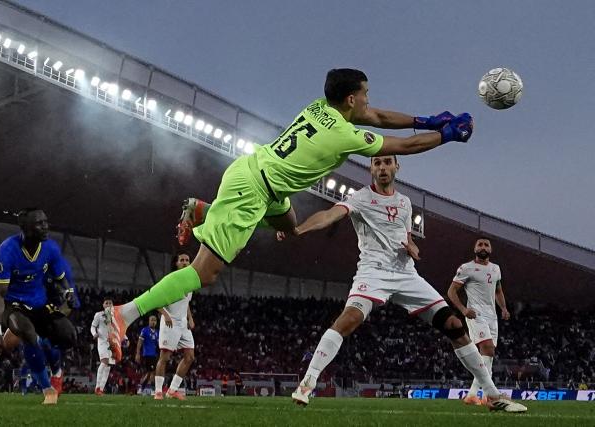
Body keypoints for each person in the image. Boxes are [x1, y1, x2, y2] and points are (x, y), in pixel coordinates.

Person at [106, 68, 474, 364]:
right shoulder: (344, 136)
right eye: (365, 94)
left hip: (254, 172)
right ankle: (126, 313)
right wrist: (447, 135)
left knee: (290, 226)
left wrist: (427, 120)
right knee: (205, 273)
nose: (368, 101)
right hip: (255, 191)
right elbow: (404, 146)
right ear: (351, 98)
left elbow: (376, 116)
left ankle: (205, 210)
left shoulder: (319, 107)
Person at [286, 155, 525, 412]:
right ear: (372, 169)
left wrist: (412, 247)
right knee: (349, 319)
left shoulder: (404, 203)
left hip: (406, 274)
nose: (382, 167)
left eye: (387, 162)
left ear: (396, 167)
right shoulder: (360, 197)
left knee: (454, 325)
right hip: (373, 272)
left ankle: (491, 395)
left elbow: (407, 238)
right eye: (377, 163)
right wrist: (299, 229)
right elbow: (330, 215)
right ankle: (307, 382)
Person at [0, 240, 77, 402]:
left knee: (46, 340)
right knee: (4, 346)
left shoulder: (52, 276)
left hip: (44, 313)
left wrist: (63, 304)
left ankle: (55, 376)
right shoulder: (14, 270)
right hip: (22, 311)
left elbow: (66, 306)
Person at [447, 237, 510, 405]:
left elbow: (498, 291)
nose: (483, 247)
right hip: (476, 314)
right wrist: (463, 310)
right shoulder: (467, 268)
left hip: (492, 316)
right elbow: (451, 291)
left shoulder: (496, 269)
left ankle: (473, 395)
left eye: (486, 245)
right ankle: (491, 395)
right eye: (480, 244)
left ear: (490, 249)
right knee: (487, 348)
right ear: (475, 249)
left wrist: (503, 308)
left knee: (488, 355)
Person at [154, 252, 196, 400]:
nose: (185, 262)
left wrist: (190, 318)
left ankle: (172, 390)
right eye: (182, 260)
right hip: (170, 323)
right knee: (164, 357)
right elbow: (156, 300)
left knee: (190, 357)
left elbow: (186, 303)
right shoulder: (170, 281)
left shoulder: (190, 282)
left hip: (183, 324)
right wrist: (165, 315)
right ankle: (158, 391)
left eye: (187, 260)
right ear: (176, 263)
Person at [91, 297, 115, 395]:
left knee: (108, 366)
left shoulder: (115, 316)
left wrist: (125, 338)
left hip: (112, 343)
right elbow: (93, 326)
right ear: (103, 305)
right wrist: (94, 334)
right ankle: (97, 387)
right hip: (102, 341)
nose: (108, 305)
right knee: (104, 362)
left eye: (110, 303)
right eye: (106, 303)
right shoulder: (99, 315)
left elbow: (118, 329)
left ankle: (101, 389)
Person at [135, 315, 159, 394]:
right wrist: (138, 353)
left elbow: (158, 344)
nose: (153, 322)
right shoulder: (145, 330)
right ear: (149, 321)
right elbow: (140, 342)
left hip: (154, 355)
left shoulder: (157, 332)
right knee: (151, 372)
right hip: (147, 354)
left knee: (150, 372)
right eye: (152, 320)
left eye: (155, 320)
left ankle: (141, 388)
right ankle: (151, 390)